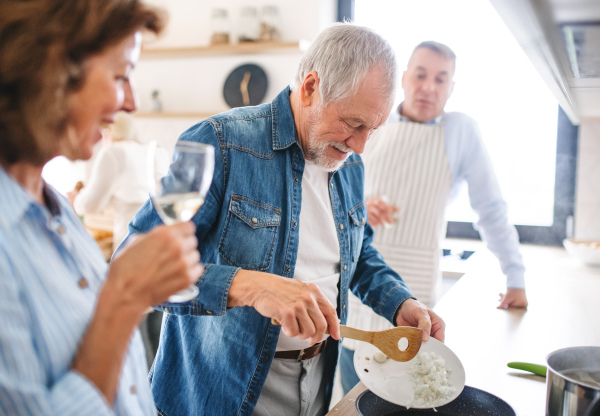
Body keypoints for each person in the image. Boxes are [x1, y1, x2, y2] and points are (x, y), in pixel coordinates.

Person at [125, 23, 446, 416]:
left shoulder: (350, 163)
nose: (360, 145)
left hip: (317, 377)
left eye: (373, 130)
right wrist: (250, 287)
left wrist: (401, 302)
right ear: (311, 86)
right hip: (220, 389)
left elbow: (358, 258)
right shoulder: (218, 142)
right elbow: (132, 267)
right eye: (354, 124)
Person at [0, 1, 203, 415]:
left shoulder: (52, 207)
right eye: (121, 75)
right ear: (51, 72)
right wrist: (123, 298)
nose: (132, 103)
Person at [339, 40, 529, 394]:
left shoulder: (461, 131)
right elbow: (331, 192)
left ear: (451, 88)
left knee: (410, 385)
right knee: (356, 394)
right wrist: (360, 208)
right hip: (360, 282)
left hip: (417, 284)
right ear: (405, 79)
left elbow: (490, 208)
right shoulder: (371, 121)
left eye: (441, 79)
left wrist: (515, 275)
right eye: (421, 75)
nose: (428, 87)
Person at [71, 111, 169, 253]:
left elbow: (91, 204)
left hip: (129, 244)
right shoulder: (156, 152)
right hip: (162, 243)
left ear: (109, 130)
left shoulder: (112, 153)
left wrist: (75, 200)